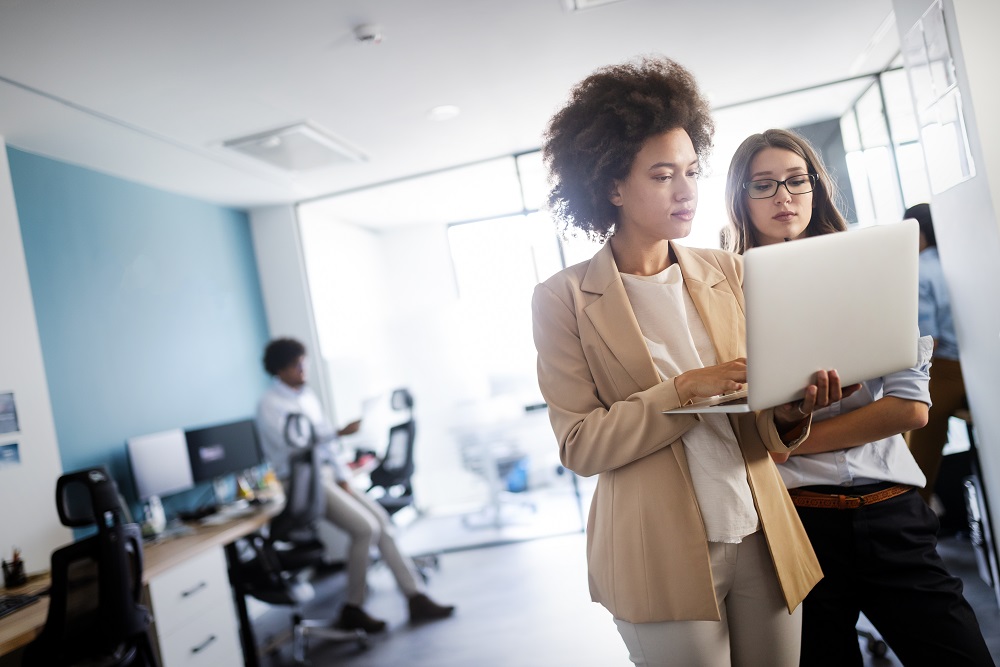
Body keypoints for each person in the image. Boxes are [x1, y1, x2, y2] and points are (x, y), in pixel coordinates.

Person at [532, 56, 851, 667]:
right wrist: (684, 390)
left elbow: (765, 429)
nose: (685, 191)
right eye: (661, 175)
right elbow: (580, 445)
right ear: (611, 186)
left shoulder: (728, 271)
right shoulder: (564, 299)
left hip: (760, 528)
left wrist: (790, 411)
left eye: (691, 171)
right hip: (658, 549)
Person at [724, 128, 993, 666]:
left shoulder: (874, 271)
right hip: (798, 525)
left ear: (817, 188)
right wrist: (778, 427)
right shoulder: (726, 298)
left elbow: (909, 407)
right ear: (740, 200)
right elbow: (734, 424)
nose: (784, 196)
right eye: (764, 185)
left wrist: (788, 440)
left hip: (890, 513)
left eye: (797, 181)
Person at [255, 337, 454, 633]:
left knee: (382, 524)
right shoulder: (270, 405)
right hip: (303, 480)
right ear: (280, 369)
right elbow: (297, 443)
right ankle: (353, 607)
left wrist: (343, 477)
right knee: (365, 529)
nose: (302, 369)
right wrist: (339, 432)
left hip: (328, 474)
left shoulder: (305, 396)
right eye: (297, 365)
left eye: (303, 363)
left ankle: (415, 597)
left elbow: (326, 446)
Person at [905, 202, 969, 504]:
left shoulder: (920, 270)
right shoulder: (961, 260)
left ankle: (916, 506)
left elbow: (931, 341)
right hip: (977, 368)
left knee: (914, 451)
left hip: (944, 370)